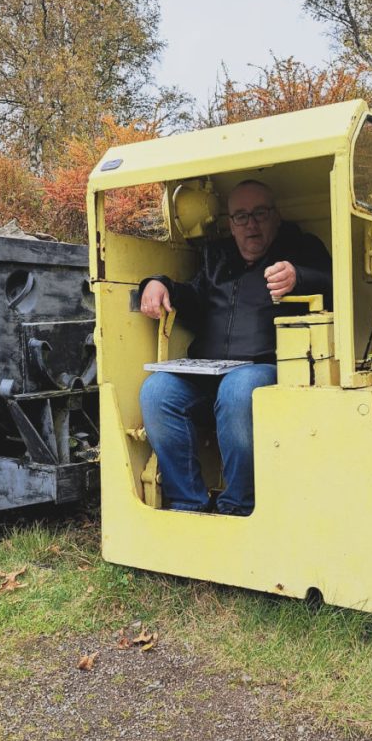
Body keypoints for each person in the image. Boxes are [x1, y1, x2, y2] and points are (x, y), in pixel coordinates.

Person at [139, 180, 332, 515]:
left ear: (276, 216)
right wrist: (158, 283)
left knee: (238, 389)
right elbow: (195, 295)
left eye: (259, 213)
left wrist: (298, 276)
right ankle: (188, 503)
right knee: (157, 391)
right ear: (230, 223)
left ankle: (237, 505)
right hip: (209, 369)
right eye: (241, 217)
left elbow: (333, 282)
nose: (251, 224)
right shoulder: (217, 255)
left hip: (266, 368)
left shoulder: (301, 246)